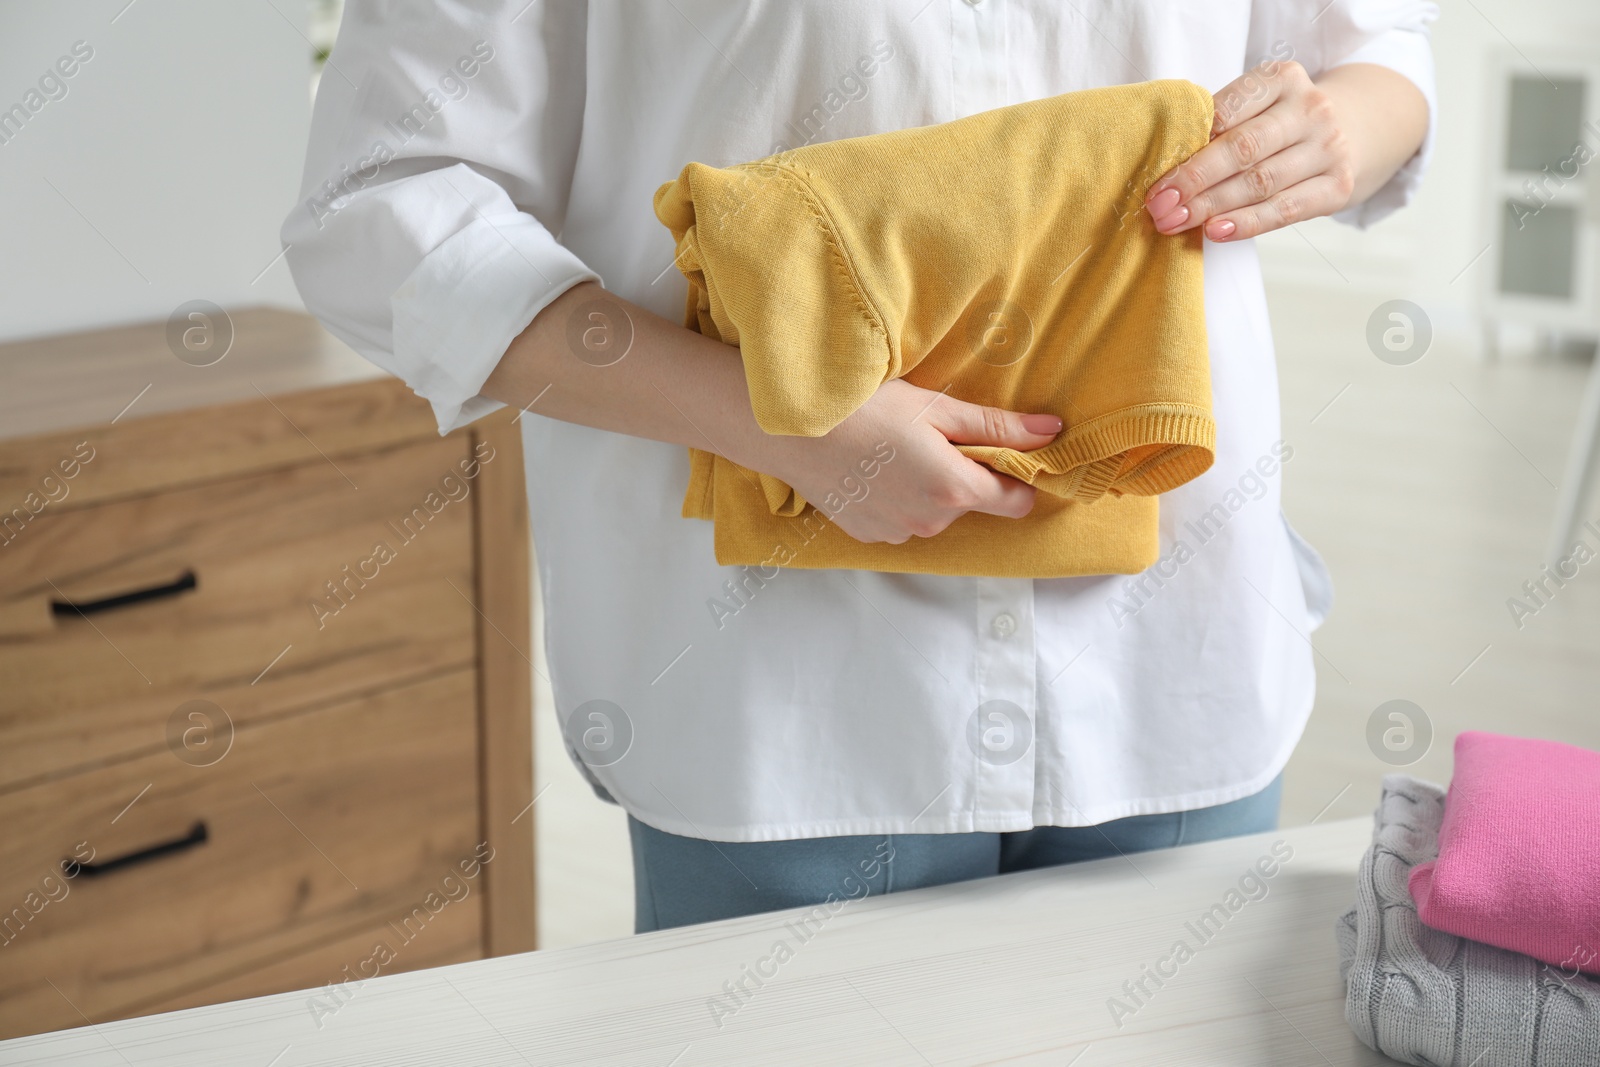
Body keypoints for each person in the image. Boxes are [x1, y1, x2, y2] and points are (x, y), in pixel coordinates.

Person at [283, 0, 1434, 933]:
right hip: (777, 707)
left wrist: (1330, 132)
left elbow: (1376, 55)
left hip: (1170, 669)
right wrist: (774, 421)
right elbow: (382, 199)